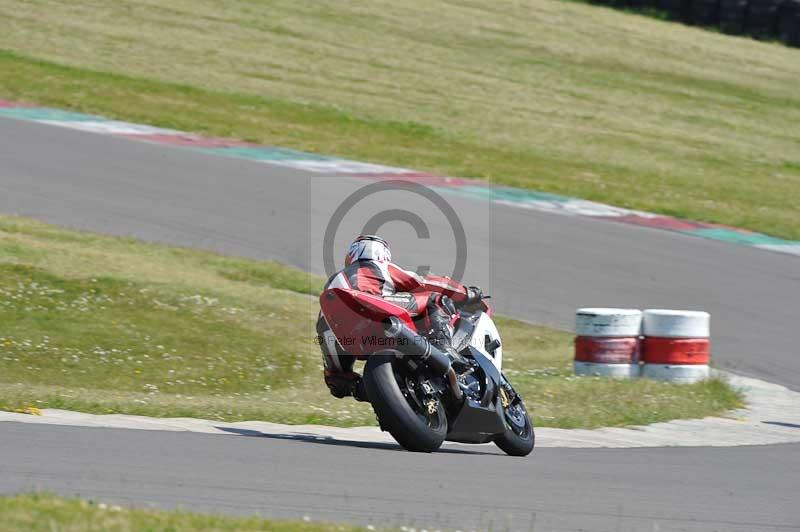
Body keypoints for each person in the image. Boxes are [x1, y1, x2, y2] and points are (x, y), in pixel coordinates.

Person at [316, 235, 482, 400]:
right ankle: (445, 349)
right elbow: (426, 283)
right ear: (383, 254)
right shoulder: (380, 266)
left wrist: (336, 375)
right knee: (433, 297)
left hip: (354, 338)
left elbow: (324, 328)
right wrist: (467, 293)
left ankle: (361, 387)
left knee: (339, 379)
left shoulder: (333, 286)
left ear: (351, 254)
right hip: (377, 308)